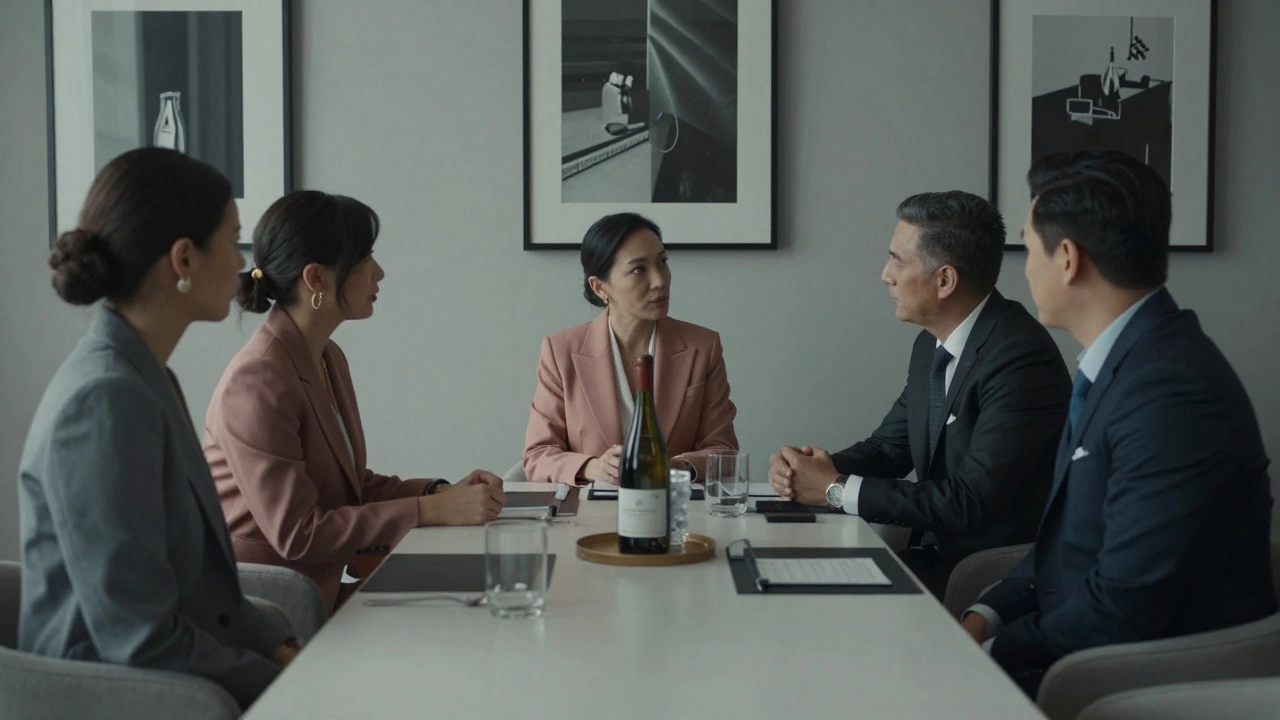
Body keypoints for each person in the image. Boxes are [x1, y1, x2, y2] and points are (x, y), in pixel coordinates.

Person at [964, 150, 1276, 695]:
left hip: (1155, 679)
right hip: (1088, 648)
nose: (1026, 269)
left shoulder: (1169, 390)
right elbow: (1065, 547)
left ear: (1067, 259)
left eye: (1029, 248)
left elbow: (1124, 606)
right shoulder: (1125, 362)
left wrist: (992, 652)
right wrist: (983, 617)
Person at [18, 148, 297, 710]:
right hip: (109, 698)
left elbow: (194, 588)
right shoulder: (104, 400)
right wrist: (286, 686)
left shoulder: (143, 374)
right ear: (183, 259)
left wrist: (281, 648)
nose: (242, 263)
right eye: (233, 240)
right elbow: (139, 641)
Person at [203, 191, 506, 613]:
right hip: (270, 612)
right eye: (364, 258)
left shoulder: (326, 356)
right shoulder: (257, 380)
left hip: (321, 591)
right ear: (316, 278)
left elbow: (348, 486)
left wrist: (440, 492)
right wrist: (430, 510)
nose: (379, 272)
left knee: (486, 599)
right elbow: (298, 534)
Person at [768, 191, 1071, 598]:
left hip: (990, 574)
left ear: (944, 280)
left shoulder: (1019, 357)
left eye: (897, 260)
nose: (885, 275)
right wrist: (808, 470)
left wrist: (833, 488)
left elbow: (969, 501)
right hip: (930, 554)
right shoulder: (931, 343)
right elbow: (889, 449)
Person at [523, 212, 738, 485]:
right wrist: (593, 467)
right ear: (600, 287)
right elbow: (537, 455)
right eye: (638, 270)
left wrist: (677, 467)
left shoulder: (703, 346)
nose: (659, 280)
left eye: (662, 262)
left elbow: (723, 451)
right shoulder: (561, 351)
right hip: (590, 507)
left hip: (670, 503)